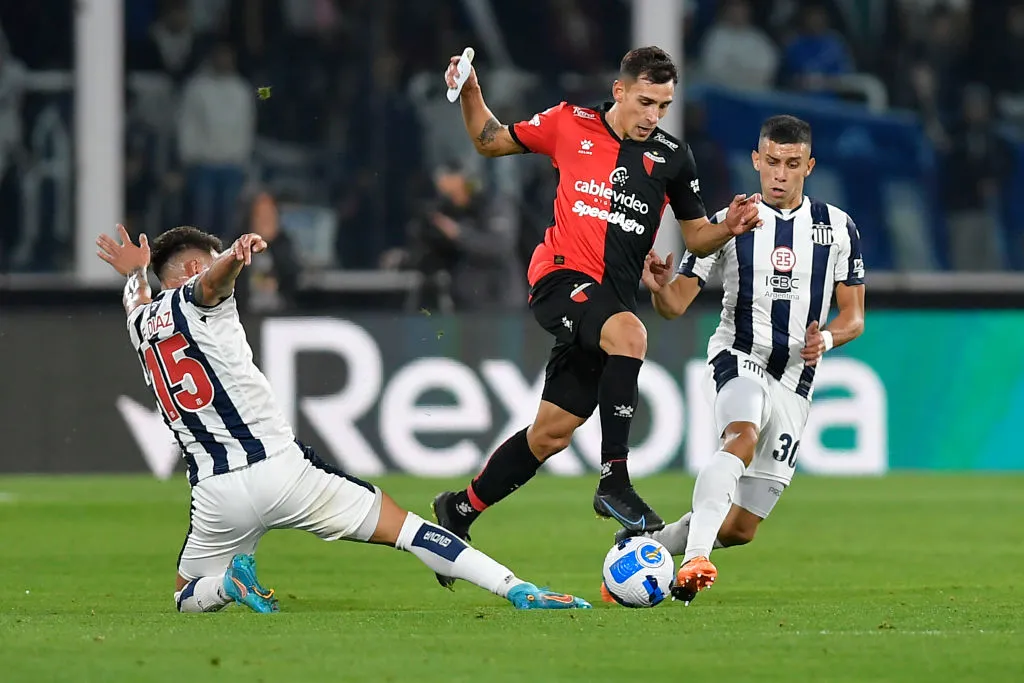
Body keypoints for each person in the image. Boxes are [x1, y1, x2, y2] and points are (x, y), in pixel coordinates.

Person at [94, 224, 591, 614]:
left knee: (186, 595)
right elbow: (208, 283)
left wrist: (136, 272)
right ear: (193, 267)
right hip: (280, 472)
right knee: (409, 530)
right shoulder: (201, 294)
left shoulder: (140, 321)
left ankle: (227, 585)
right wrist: (233, 257)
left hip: (215, 496)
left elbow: (137, 294)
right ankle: (517, 588)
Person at [430, 46, 762, 588]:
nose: (653, 115)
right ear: (619, 92)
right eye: (646, 102)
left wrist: (731, 224)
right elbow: (488, 140)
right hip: (559, 280)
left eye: (664, 105)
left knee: (550, 434)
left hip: (605, 306)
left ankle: (459, 510)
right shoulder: (568, 123)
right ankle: (615, 480)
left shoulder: (673, 157)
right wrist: (470, 90)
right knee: (631, 334)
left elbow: (698, 235)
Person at [621, 115, 866, 604]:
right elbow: (674, 306)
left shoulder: (837, 228)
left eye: (791, 164)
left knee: (739, 528)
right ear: (756, 161)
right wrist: (656, 287)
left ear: (809, 166)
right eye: (771, 162)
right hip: (740, 355)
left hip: (797, 379)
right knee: (742, 436)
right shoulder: (728, 222)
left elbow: (853, 317)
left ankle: (644, 549)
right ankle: (693, 559)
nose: (779, 174)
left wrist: (829, 341)